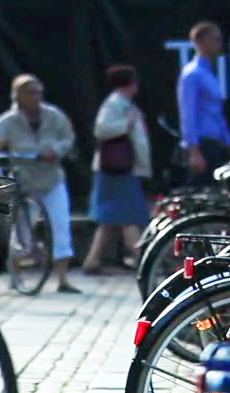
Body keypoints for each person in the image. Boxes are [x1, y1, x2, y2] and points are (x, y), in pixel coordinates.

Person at [0, 74, 81, 293]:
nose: (36, 97)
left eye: (38, 92)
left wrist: (55, 150)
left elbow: (68, 138)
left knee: (60, 225)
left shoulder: (54, 116)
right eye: (30, 92)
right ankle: (16, 273)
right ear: (19, 96)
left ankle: (62, 279)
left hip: (51, 178)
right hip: (24, 180)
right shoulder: (8, 120)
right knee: (20, 231)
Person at [85, 65, 150, 274]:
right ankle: (142, 260)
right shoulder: (114, 104)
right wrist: (127, 123)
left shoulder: (123, 104)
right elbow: (101, 130)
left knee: (109, 219)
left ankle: (92, 261)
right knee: (128, 216)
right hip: (117, 170)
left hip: (120, 170)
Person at [178, 20, 230, 186]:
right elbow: (188, 113)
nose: (220, 43)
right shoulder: (192, 74)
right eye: (216, 39)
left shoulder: (209, 73)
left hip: (215, 145)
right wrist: (194, 151)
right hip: (202, 145)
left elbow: (217, 114)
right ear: (201, 42)